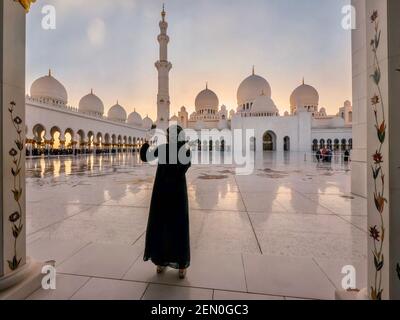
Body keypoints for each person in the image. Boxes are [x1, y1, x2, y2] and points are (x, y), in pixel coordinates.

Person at [140, 125, 191, 279]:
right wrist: (148, 143)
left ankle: (177, 263)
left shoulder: (180, 150)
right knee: (168, 226)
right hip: (168, 192)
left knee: (171, 226)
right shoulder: (172, 149)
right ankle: (164, 261)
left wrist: (149, 144)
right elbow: (146, 157)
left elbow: (182, 167)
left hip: (170, 192)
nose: (169, 137)